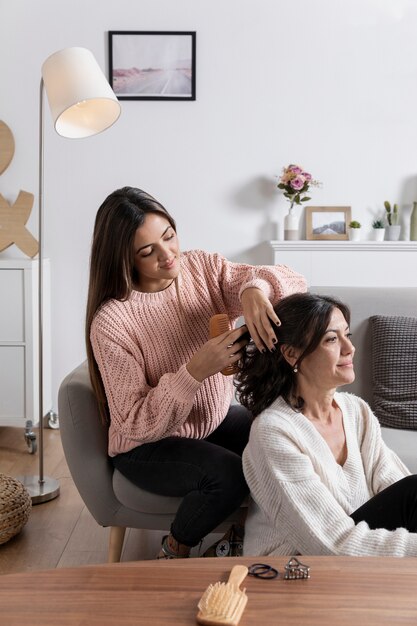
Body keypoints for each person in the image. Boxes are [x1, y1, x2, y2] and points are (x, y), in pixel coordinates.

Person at [85, 186, 307, 559]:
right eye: (147, 251)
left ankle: (250, 534)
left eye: (169, 236)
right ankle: (175, 547)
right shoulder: (112, 321)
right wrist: (194, 373)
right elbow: (135, 423)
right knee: (230, 476)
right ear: (123, 258)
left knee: (284, 437)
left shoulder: (201, 268)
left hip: (211, 420)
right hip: (146, 445)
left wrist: (254, 289)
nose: (168, 255)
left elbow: (294, 280)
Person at [235, 291, 417, 557]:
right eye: (332, 339)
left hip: (351, 553)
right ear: (291, 354)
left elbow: (397, 489)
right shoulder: (274, 431)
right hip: (295, 568)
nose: (349, 348)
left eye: (347, 335)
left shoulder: (356, 412)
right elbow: (330, 544)